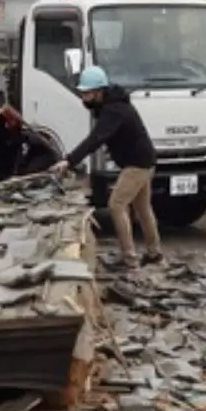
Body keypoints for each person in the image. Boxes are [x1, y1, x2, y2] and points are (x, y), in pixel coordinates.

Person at [50, 65, 164, 271]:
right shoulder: (111, 104)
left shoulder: (114, 110)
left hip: (137, 165)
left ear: (99, 91)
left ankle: (129, 260)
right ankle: (154, 253)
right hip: (144, 161)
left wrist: (69, 161)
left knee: (116, 205)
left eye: (87, 93)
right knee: (142, 208)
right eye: (82, 93)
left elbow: (95, 139)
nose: (83, 97)